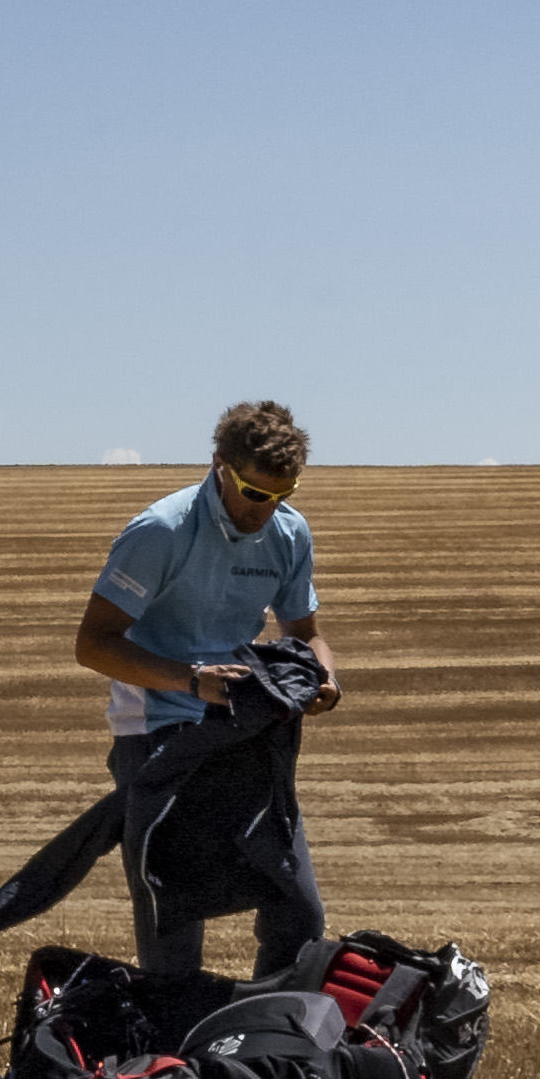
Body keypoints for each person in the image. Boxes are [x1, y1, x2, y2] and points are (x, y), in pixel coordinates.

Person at [72, 400, 340, 977]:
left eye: (282, 495)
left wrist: (326, 677)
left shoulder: (289, 534)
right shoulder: (161, 532)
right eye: (253, 493)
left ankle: (269, 1050)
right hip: (157, 735)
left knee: (298, 912)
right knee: (174, 923)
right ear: (219, 465)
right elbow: (93, 645)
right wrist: (192, 682)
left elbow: (307, 633)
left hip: (243, 734)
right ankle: (171, 1060)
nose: (264, 511)